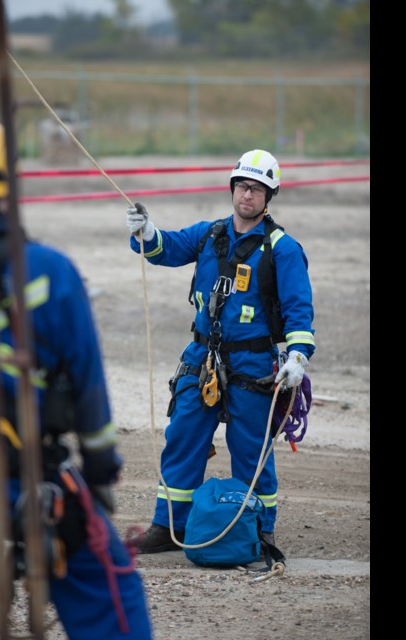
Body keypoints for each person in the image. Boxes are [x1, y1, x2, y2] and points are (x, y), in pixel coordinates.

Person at [0, 118, 152, 640]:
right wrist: (100, 472)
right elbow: (87, 385)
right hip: (27, 475)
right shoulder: (48, 271)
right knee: (112, 592)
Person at [124, 149, 315, 554]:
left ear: (269, 196)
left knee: (251, 449)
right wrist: (145, 232)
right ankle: (169, 525)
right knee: (184, 437)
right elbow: (166, 249)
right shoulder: (210, 234)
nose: (248, 195)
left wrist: (297, 358)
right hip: (202, 358)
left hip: (254, 363)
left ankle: (259, 530)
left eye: (257, 189)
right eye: (243, 186)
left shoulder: (283, 249)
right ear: (233, 188)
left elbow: (300, 310)